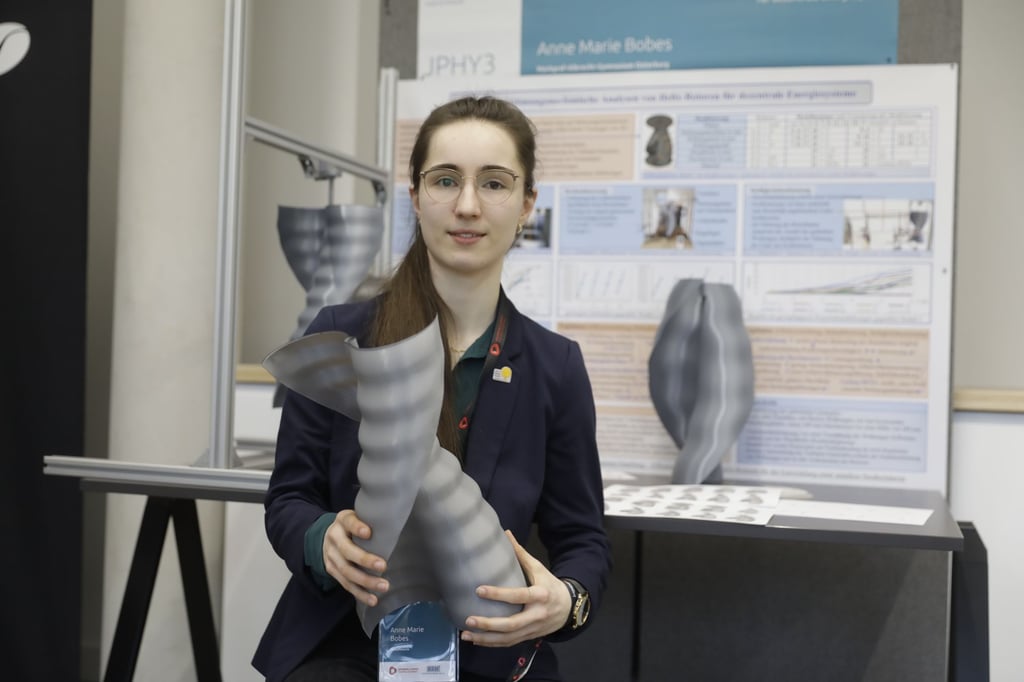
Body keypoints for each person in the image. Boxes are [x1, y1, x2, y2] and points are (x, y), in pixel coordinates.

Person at [253, 95, 611, 682]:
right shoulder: (341, 338)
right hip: (346, 647)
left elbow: (584, 541)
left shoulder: (556, 366)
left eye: (494, 184)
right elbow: (289, 500)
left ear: (527, 205)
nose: (467, 205)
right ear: (416, 197)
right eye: (446, 180)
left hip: (494, 655)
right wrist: (323, 541)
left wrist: (567, 601)